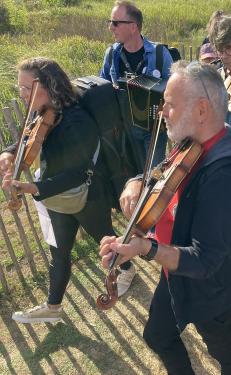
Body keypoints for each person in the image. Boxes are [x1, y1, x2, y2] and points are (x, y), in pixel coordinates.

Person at [99, 61, 231, 374]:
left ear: (201, 110)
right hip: (175, 272)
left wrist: (145, 248)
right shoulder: (190, 145)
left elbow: (204, 260)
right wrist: (135, 182)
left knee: (225, 355)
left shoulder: (227, 174)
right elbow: (158, 175)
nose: (162, 112)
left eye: (169, 105)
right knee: (157, 336)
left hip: (213, 291)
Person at [0, 58, 131, 323]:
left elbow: (79, 173)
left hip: (88, 196)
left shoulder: (76, 121)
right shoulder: (43, 111)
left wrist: (33, 187)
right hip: (57, 196)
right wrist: (8, 152)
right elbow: (28, 136)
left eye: (27, 88)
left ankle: (127, 268)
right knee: (59, 252)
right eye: (20, 88)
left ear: (49, 85)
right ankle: (53, 307)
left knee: (104, 239)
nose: (22, 95)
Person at [99, 0, 173, 169]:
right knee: (131, 179)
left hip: (153, 132)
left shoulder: (160, 54)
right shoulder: (111, 54)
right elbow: (103, 87)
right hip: (124, 130)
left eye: (116, 23)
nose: (111, 27)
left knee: (151, 179)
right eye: (110, 22)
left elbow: (175, 91)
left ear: (133, 27)